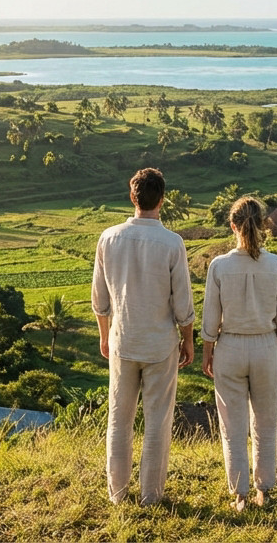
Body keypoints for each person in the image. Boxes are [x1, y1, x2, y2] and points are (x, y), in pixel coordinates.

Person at [91, 167, 196, 505]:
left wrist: (105, 337)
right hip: (160, 344)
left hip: (123, 341)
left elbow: (100, 301)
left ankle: (117, 495)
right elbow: (183, 302)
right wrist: (189, 338)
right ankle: (151, 496)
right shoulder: (172, 243)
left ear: (132, 197)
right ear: (162, 200)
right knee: (157, 423)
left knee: (119, 421)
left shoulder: (109, 238)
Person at [201, 195, 277, 512]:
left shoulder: (219, 266)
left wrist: (207, 353)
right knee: (265, 426)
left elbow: (210, 320)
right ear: (264, 224)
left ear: (233, 226)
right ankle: (263, 490)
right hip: (267, 346)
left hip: (229, 348)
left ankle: (239, 494)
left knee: (232, 428)